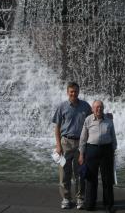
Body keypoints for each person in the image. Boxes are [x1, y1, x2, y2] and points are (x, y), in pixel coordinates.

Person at [53, 82, 92, 210]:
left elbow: (94, 119)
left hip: (81, 143)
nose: (73, 94)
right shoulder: (62, 107)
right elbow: (57, 128)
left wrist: (107, 116)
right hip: (65, 143)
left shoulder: (85, 106)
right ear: (67, 92)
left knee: (80, 173)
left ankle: (80, 198)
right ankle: (66, 198)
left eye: (75, 91)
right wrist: (58, 146)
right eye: (71, 92)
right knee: (64, 173)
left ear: (78, 92)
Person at [79, 100, 117, 213]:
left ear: (103, 108)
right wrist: (81, 154)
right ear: (92, 109)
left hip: (106, 151)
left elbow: (113, 137)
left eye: (101, 107)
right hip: (91, 150)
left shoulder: (109, 120)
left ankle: (108, 205)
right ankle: (90, 204)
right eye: (96, 107)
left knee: (107, 179)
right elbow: (83, 139)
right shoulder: (88, 120)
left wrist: (113, 151)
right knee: (91, 179)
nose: (99, 109)